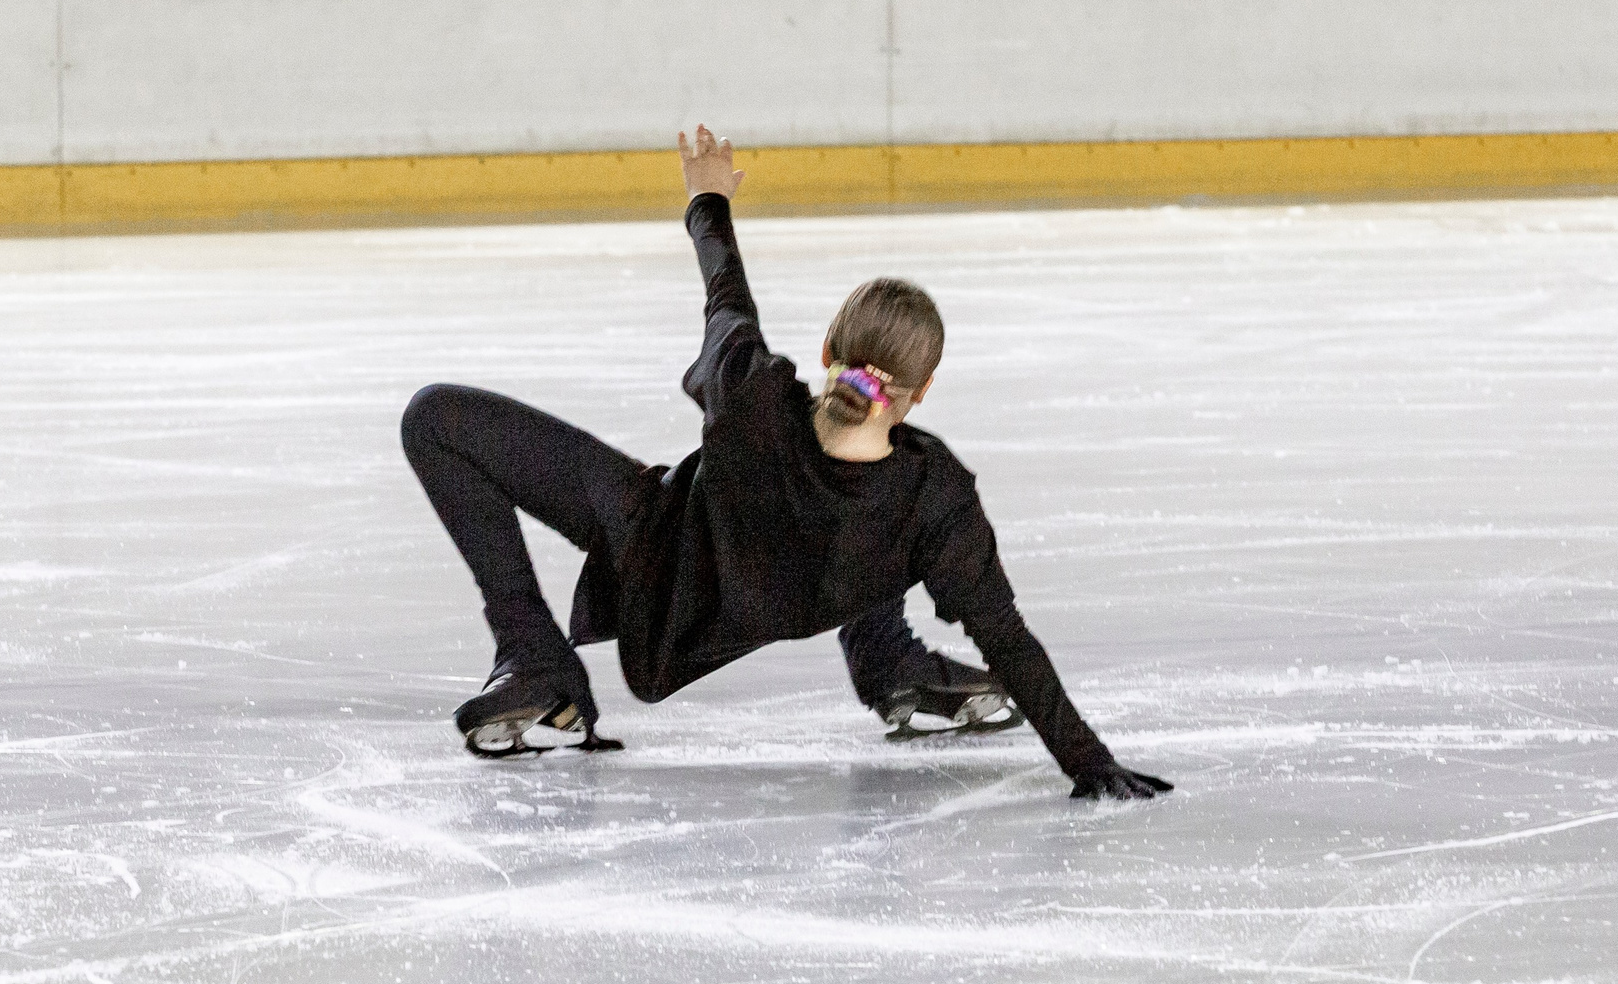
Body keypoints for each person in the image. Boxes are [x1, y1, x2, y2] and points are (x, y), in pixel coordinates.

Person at [398, 125, 1172, 801]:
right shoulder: (934, 496)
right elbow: (1007, 636)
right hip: (807, 578)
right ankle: (887, 658)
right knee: (877, 500)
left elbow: (724, 290)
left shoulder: (753, 399)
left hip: (661, 560)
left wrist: (707, 198)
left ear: (831, 353)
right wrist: (1087, 762)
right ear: (923, 391)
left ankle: (535, 656)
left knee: (435, 417)